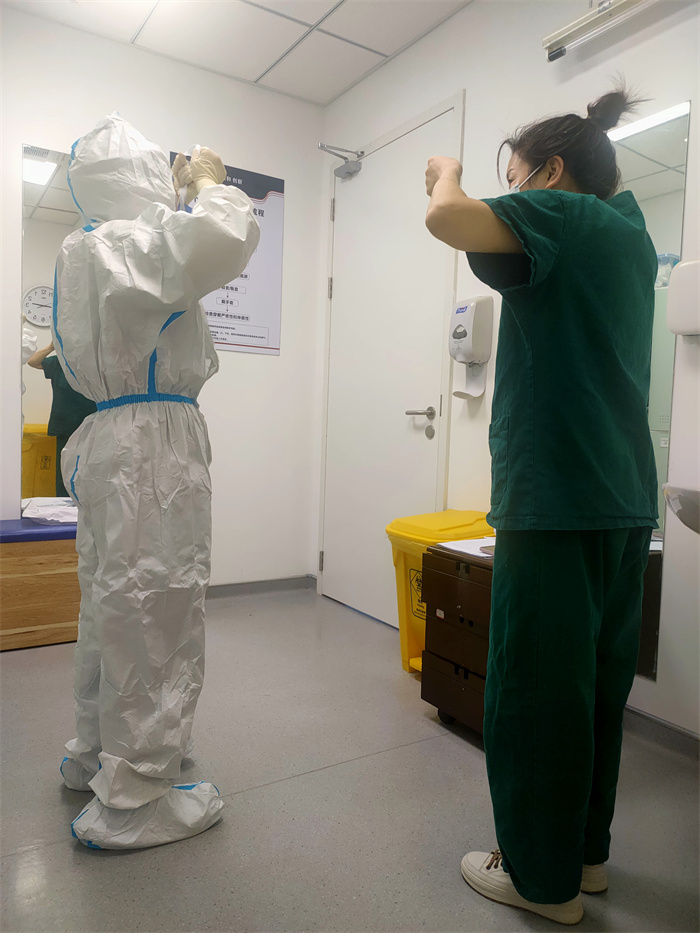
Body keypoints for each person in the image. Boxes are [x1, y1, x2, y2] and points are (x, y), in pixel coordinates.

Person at [424, 87, 657, 925]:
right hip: (623, 499)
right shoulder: (630, 236)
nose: (512, 192)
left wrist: (446, 169)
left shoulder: (564, 214)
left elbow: (448, 218)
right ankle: (584, 857)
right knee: (594, 689)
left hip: (555, 496)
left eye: (516, 177)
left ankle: (539, 878)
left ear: (551, 173)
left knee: (533, 691)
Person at [54, 114, 260, 849]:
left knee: (112, 605)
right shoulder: (126, 242)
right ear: (139, 177)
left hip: (113, 439)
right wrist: (211, 186)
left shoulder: (84, 247)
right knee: (157, 607)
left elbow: (168, 256)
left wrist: (177, 201)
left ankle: (95, 753)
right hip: (154, 450)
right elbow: (222, 238)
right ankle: (137, 796)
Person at [26, 341, 97, 496]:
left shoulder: (96, 364)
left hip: (94, 427)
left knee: (91, 473)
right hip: (66, 426)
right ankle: (64, 506)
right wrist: (51, 346)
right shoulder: (60, 362)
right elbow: (32, 361)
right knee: (65, 474)